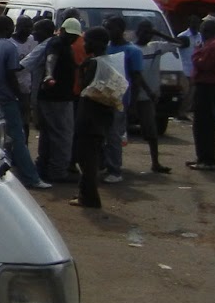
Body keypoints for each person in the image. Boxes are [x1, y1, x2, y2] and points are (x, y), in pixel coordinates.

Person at [0, 16, 49, 190]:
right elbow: (11, 74)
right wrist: (19, 96)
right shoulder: (9, 47)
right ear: (7, 28)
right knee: (18, 138)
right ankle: (31, 177)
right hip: (7, 96)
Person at [71, 26, 116, 209]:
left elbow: (86, 90)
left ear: (98, 43)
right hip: (100, 117)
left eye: (88, 41)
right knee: (89, 156)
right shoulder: (107, 62)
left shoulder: (95, 64)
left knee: (87, 158)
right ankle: (85, 193)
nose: (85, 44)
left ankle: (89, 197)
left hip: (90, 118)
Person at [35, 17, 81, 183]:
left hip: (54, 97)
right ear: (62, 31)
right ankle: (58, 172)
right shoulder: (57, 43)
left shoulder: (66, 46)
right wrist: (49, 75)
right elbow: (50, 59)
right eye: (71, 35)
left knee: (49, 134)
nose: (74, 38)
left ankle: (44, 168)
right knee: (63, 135)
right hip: (57, 98)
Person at [130, 21, 173, 173]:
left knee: (151, 132)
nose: (147, 36)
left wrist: (159, 33)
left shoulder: (156, 47)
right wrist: (149, 91)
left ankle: (155, 163)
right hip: (132, 96)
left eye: (149, 33)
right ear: (137, 32)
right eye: (144, 32)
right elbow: (137, 75)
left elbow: (180, 43)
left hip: (147, 99)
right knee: (118, 131)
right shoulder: (132, 50)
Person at [99, 16, 138, 184]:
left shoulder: (132, 51)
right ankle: (105, 164)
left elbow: (136, 79)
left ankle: (115, 169)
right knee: (102, 134)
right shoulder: (105, 48)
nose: (108, 32)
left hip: (119, 100)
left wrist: (133, 104)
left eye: (111, 28)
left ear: (121, 29)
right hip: (102, 97)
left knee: (114, 135)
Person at [187, 17, 215, 172]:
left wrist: (196, 53)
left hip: (209, 87)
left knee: (204, 125)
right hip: (206, 87)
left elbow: (202, 63)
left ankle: (208, 160)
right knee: (201, 124)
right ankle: (203, 157)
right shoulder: (211, 44)